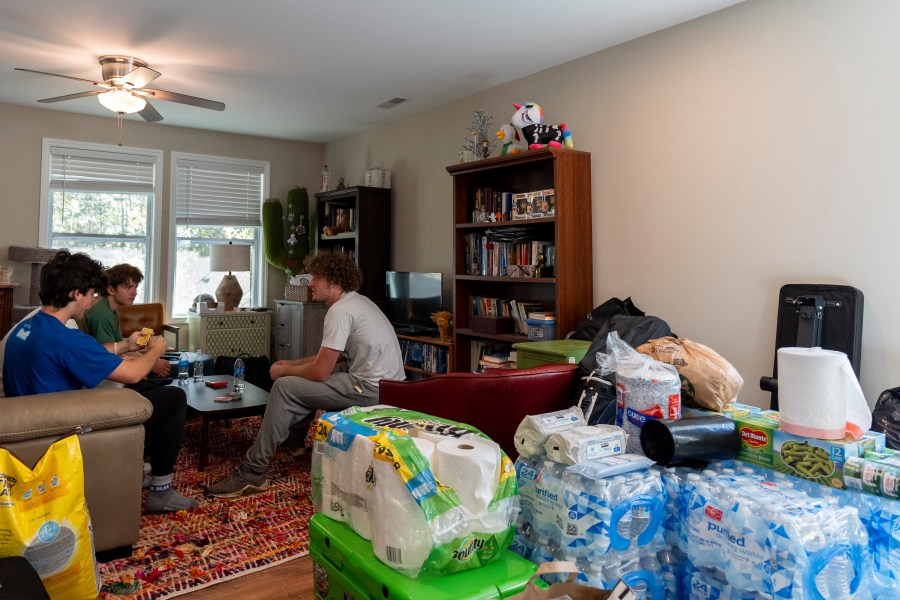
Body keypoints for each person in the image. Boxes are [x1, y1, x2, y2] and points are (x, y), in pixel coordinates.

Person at [3, 251, 198, 513]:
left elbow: (83, 354)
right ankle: (161, 490)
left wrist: (126, 344)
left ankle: (138, 471)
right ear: (76, 293)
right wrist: (156, 349)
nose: (93, 301)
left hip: (33, 425)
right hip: (65, 431)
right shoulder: (66, 338)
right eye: (92, 293)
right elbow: (133, 374)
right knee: (173, 399)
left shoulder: (29, 328)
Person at [208, 251, 406, 498]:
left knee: (285, 386)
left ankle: (252, 472)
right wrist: (293, 363)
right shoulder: (358, 302)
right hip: (389, 387)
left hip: (372, 390)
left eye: (317, 278)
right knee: (299, 379)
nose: (310, 283)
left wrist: (284, 372)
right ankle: (295, 444)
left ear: (334, 282)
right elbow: (335, 357)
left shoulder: (340, 312)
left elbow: (321, 371)